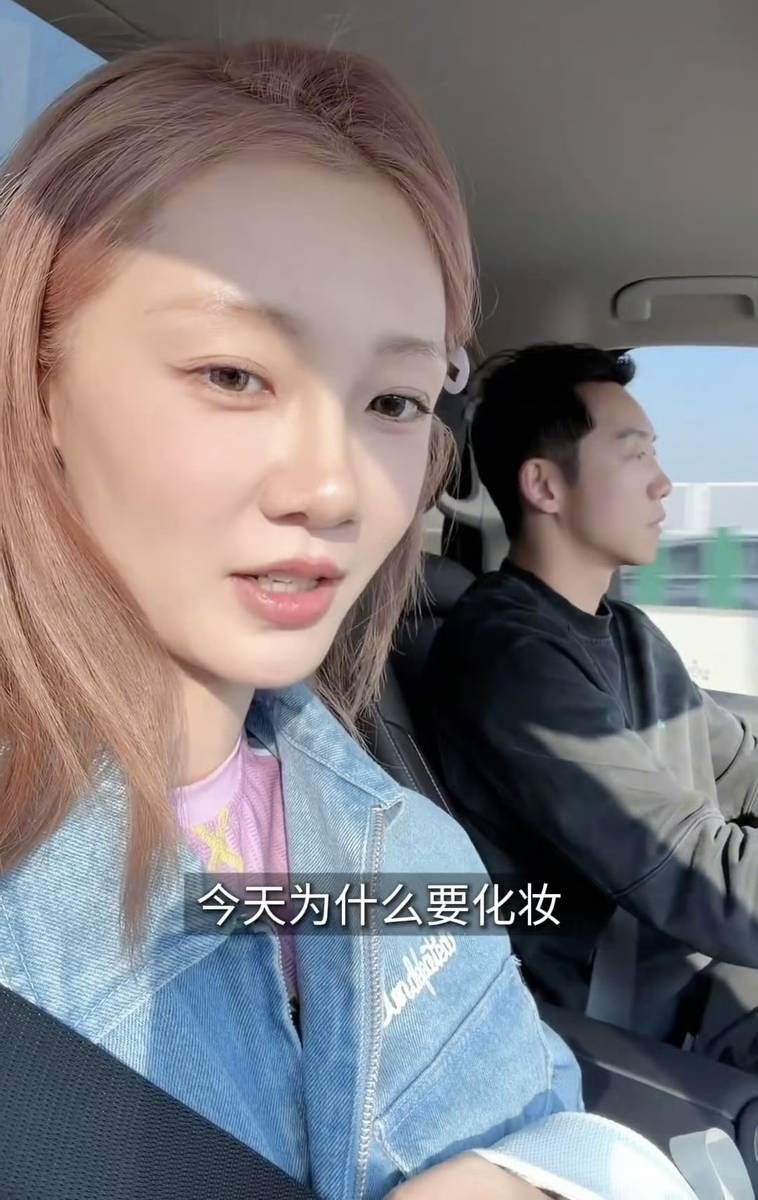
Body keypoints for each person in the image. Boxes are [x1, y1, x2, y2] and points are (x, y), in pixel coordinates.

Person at [0, 45, 697, 1200]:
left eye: (391, 400)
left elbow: (543, 1113)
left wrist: (529, 1176)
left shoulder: (388, 835)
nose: (334, 489)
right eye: (233, 375)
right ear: (37, 385)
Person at [423, 343, 758, 1062]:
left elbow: (741, 769)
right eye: (635, 455)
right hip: (626, 1017)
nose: (663, 483)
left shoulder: (628, 632)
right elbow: (695, 872)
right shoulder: (511, 661)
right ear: (545, 486)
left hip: (688, 968)